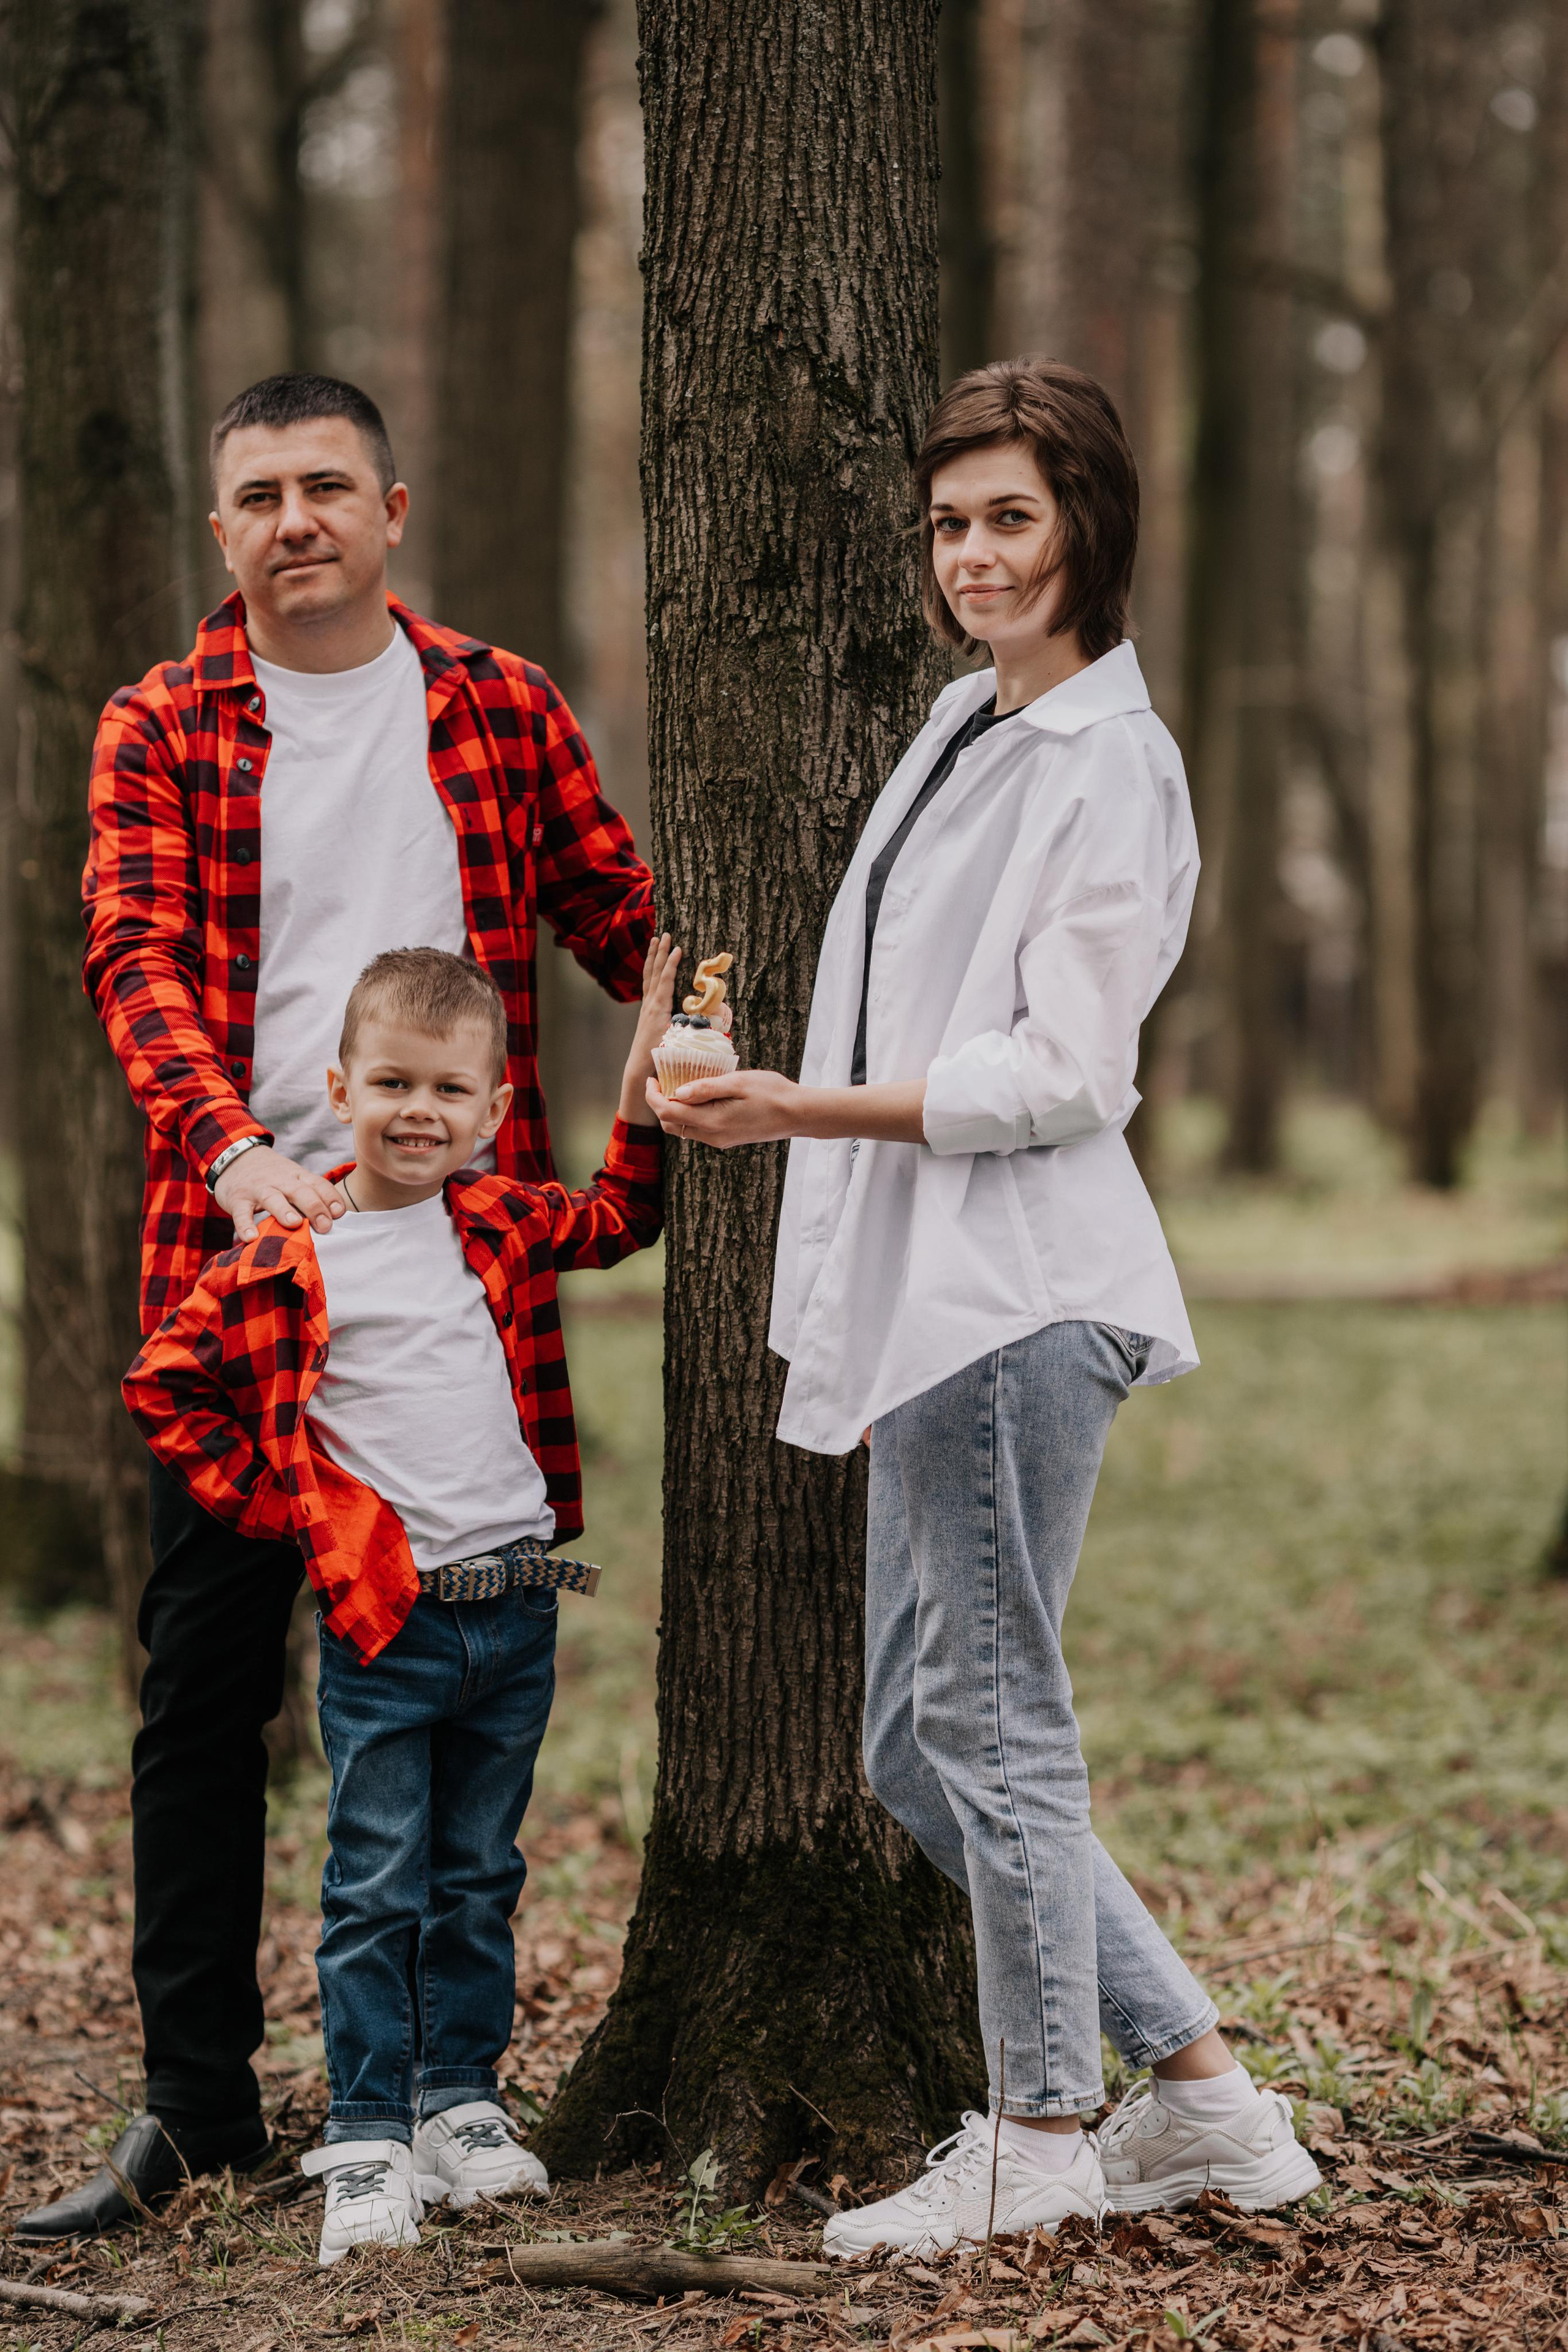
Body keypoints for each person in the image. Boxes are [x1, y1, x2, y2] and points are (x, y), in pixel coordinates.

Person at [649, 358, 1323, 2255]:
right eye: (950, 522)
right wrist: (749, 1087)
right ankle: (1207, 2106)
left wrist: (795, 1108)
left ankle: (1036, 2137)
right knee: (906, 1742)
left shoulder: (1115, 761)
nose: (972, 554)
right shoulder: (963, 721)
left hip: (1026, 1299)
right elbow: (910, 1005)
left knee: (996, 1718)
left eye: (1011, 516)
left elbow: (1059, 1075)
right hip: (927, 1302)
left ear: (1088, 526)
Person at [18, 372, 655, 2242]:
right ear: (222, 531)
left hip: (465, 1278)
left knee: (473, 1703)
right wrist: (228, 1151)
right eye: (258, 495)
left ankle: (437, 2088)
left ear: (393, 506)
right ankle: (194, 2102)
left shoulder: (497, 705)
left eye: (326, 487)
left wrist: (716, 1024)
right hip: (246, 1285)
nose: (295, 519)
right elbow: (131, 949)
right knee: (203, 1702)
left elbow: (620, 911)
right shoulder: (165, 721)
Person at [119, 943, 673, 2263]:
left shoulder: (497, 1220)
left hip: (517, 1609)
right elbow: (163, 1384)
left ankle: (456, 2104)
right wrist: (289, 1515)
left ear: (490, 1110)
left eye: (449, 1090)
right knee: (375, 1881)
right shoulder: (296, 1249)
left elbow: (622, 1214)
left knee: (477, 1877)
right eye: (391, 1083)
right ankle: (364, 2135)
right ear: (335, 1088)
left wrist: (650, 1049)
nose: (418, 1111)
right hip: (388, 1622)